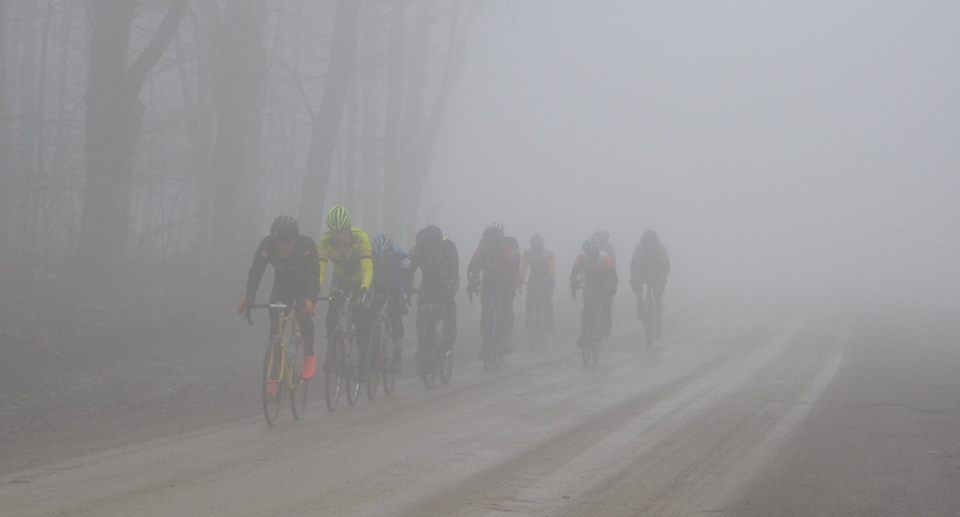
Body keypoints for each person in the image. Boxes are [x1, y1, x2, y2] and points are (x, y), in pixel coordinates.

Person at [239, 216, 321, 388]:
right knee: (276, 328)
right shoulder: (267, 245)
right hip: (282, 285)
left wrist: (310, 300)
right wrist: (249, 296)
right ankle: (274, 377)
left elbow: (314, 276)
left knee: (302, 314)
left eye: (288, 243)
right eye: (280, 243)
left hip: (303, 284)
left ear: (295, 239)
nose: (283, 248)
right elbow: (256, 271)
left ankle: (309, 353)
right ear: (274, 240)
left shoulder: (307, 246)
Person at [317, 205, 374, 379]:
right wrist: (316, 287)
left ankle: (363, 362)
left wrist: (365, 287)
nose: (339, 237)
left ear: (348, 229)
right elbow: (321, 268)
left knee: (362, 319)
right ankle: (332, 352)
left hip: (361, 279)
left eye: (342, 232)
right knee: (332, 313)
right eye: (335, 233)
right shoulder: (325, 241)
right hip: (340, 279)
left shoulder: (361, 238)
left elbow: (367, 266)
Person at [467, 222, 521, 356]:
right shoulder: (486, 245)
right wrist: (473, 278)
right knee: (488, 314)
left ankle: (504, 339)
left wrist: (473, 278)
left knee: (503, 310)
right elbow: (475, 262)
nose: (491, 244)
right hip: (494, 283)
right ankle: (489, 344)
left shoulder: (501, 245)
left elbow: (513, 261)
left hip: (501, 283)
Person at [408, 225, 460, 357]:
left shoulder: (447, 247)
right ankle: (422, 344)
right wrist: (406, 286)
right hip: (429, 284)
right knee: (422, 313)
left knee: (449, 307)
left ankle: (448, 341)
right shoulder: (418, 249)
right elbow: (409, 269)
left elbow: (454, 268)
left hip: (445, 282)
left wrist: (452, 285)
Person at [370, 234, 412, 373]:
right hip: (378, 286)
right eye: (378, 256)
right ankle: (372, 346)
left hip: (395, 286)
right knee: (369, 312)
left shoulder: (401, 256)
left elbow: (406, 277)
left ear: (390, 251)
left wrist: (405, 294)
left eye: (384, 256)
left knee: (395, 317)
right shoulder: (370, 253)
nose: (381, 259)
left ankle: (397, 355)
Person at [570, 236, 618, 347]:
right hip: (590, 281)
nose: (590, 255)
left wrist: (612, 288)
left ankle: (606, 325)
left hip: (604, 280)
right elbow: (574, 273)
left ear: (597, 251)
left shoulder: (605, 257)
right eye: (588, 253)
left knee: (606, 302)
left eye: (592, 253)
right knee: (586, 310)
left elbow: (613, 276)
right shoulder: (581, 257)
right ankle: (583, 336)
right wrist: (574, 283)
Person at [630, 230, 671, 336]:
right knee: (641, 287)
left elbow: (666, 264)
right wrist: (635, 276)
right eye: (647, 241)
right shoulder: (640, 248)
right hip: (643, 273)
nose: (649, 243)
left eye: (651, 241)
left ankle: (656, 320)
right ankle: (641, 304)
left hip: (656, 273)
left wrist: (662, 275)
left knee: (657, 295)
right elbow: (634, 264)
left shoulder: (660, 248)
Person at [520, 233, 556, 333]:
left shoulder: (548, 254)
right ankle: (530, 317)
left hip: (545, 278)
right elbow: (523, 266)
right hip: (534, 277)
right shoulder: (527, 253)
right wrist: (521, 277)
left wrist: (551, 279)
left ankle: (548, 322)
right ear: (531, 244)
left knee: (548, 300)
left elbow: (552, 268)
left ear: (541, 244)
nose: (536, 247)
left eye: (538, 245)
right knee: (529, 299)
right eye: (534, 245)